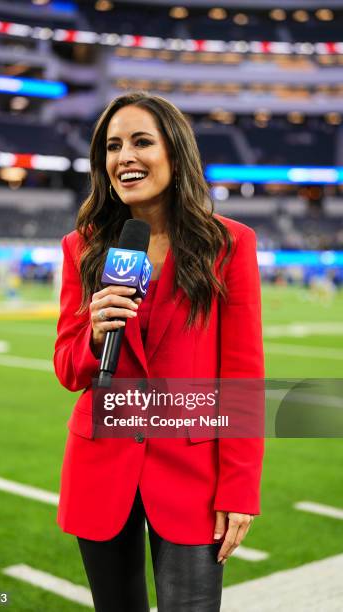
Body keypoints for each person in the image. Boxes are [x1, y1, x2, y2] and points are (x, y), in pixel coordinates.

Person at [54, 91, 264, 612]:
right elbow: (66, 366)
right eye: (112, 146)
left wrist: (239, 489)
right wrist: (95, 335)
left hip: (193, 475)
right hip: (101, 468)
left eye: (141, 142)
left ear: (176, 152)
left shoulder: (229, 245)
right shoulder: (81, 247)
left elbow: (241, 376)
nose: (125, 157)